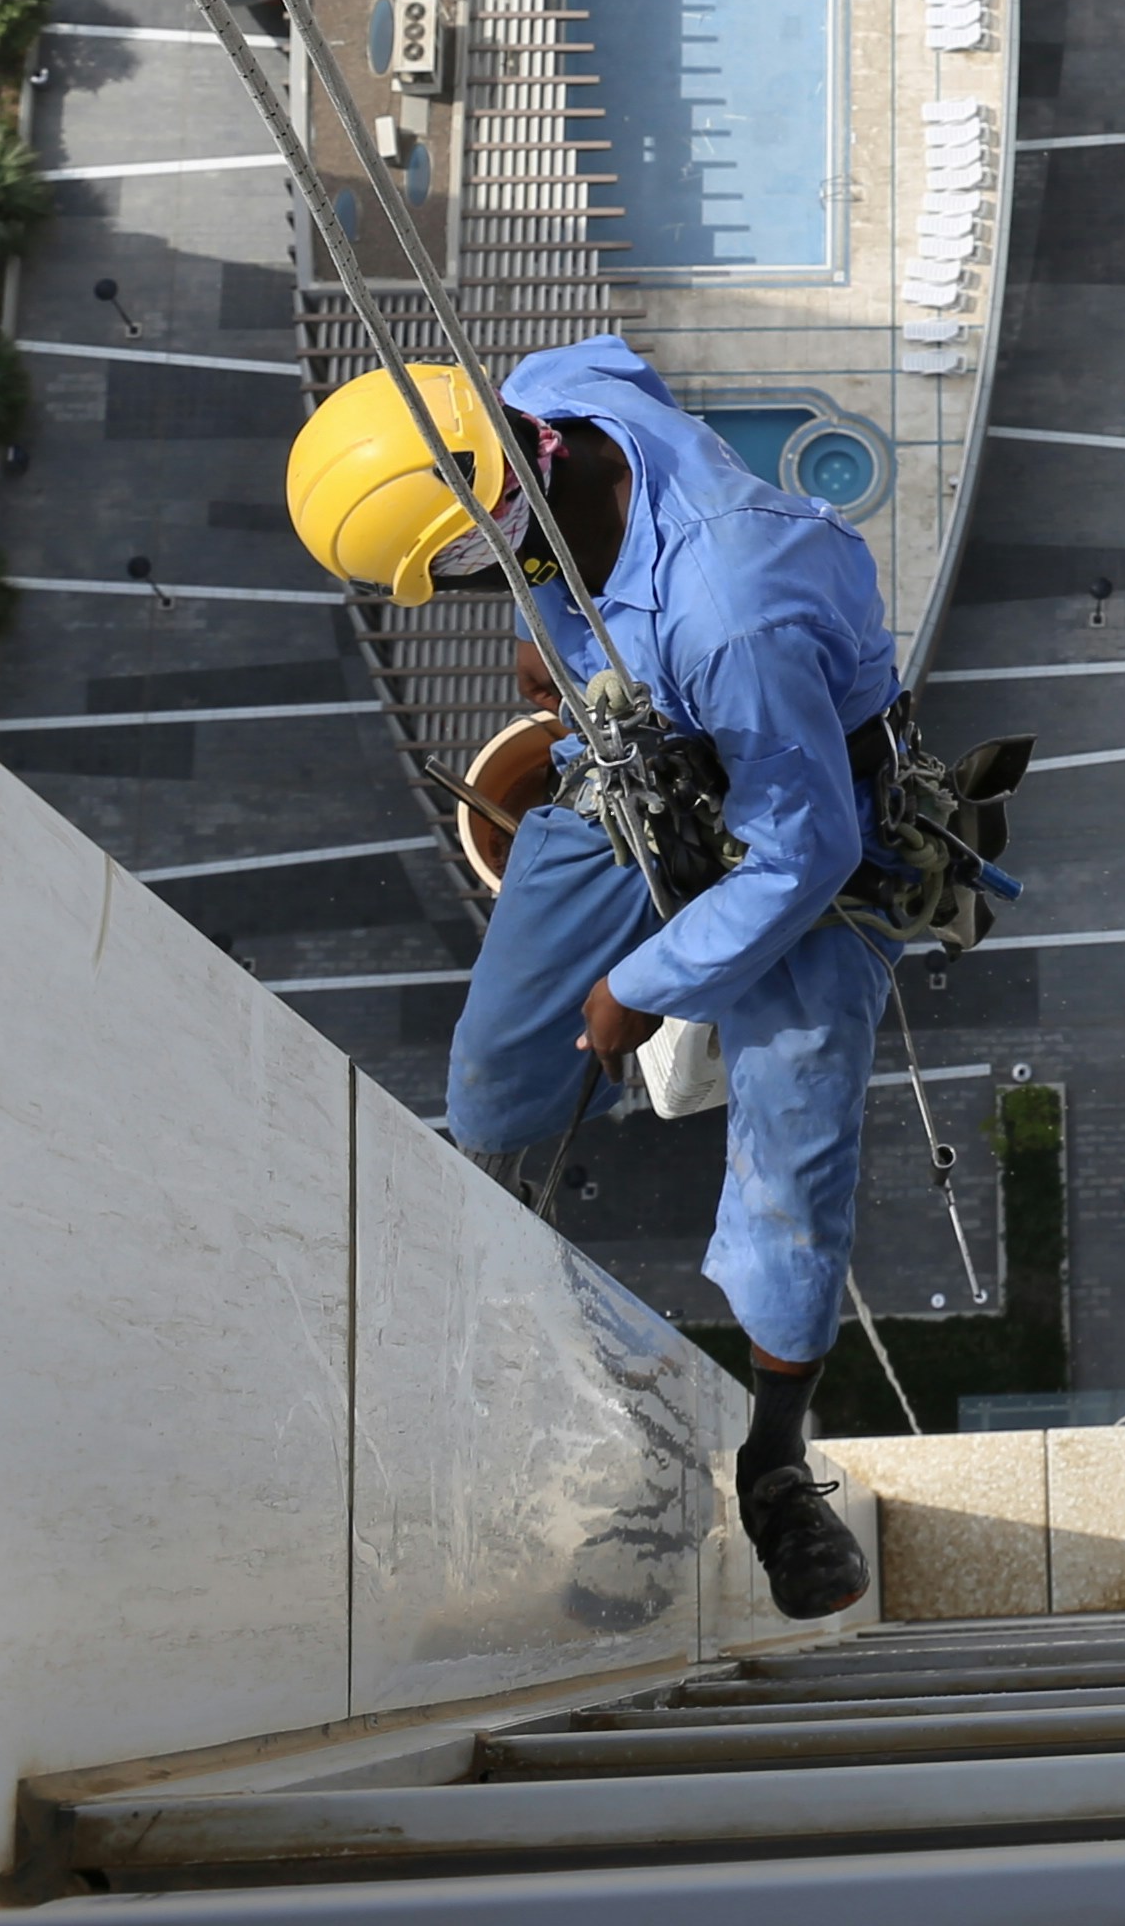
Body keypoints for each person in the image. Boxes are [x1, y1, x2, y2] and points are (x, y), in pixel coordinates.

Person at [285, 340, 895, 1622]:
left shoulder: (733, 608)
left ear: (507, 493)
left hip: (793, 797)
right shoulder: (556, 393)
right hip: (636, 756)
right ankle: (627, 1408)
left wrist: (648, 980)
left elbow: (808, 849)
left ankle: (777, 1462)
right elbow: (625, 398)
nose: (474, 595)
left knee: (795, 1137)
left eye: (466, 569)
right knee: (498, 1090)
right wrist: (567, 629)